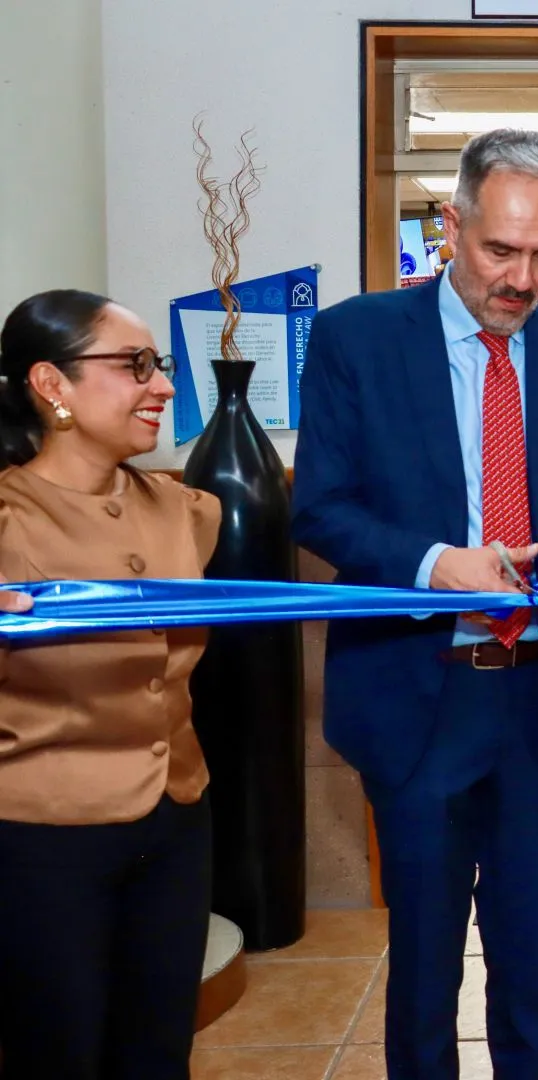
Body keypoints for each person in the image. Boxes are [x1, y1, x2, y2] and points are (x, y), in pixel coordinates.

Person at [291, 129, 538, 1079]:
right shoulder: (359, 337)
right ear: (452, 227)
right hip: (417, 701)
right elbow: (319, 507)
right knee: (424, 971)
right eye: (501, 251)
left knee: (533, 967)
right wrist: (438, 564)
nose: (523, 279)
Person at [0, 289, 221, 1079]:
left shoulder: (186, 511)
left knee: (159, 1048)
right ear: (51, 385)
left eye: (156, 365)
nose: (161, 385)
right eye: (134, 366)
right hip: (43, 842)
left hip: (175, 821)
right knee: (58, 1055)